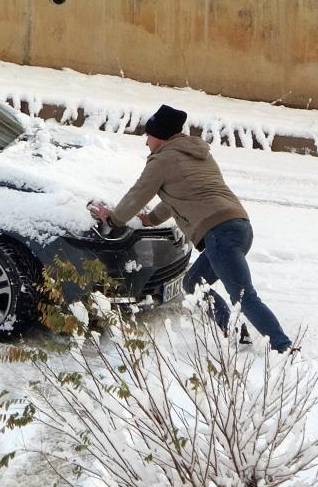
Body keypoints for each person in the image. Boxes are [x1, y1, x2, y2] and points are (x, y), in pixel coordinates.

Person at [90, 104, 294, 353]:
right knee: (194, 282)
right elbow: (181, 194)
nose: (146, 142)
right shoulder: (199, 153)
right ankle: (235, 332)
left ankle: (284, 348)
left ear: (160, 136)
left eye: (149, 135)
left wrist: (113, 220)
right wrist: (151, 219)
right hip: (240, 226)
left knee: (244, 297)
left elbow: (138, 194)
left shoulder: (162, 160)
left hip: (220, 233)